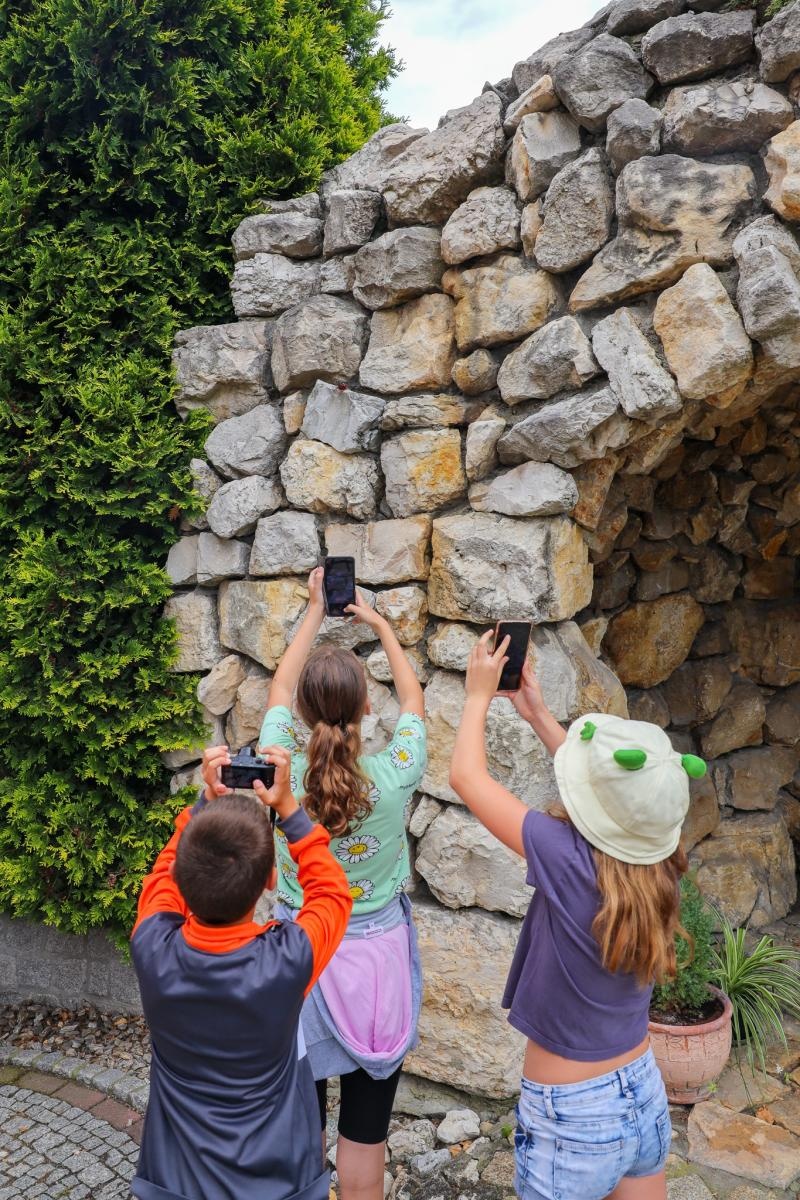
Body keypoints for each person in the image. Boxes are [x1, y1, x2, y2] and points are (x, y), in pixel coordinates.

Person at [449, 632, 701, 1200]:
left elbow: (466, 776)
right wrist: (538, 715)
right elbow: (619, 803)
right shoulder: (664, 862)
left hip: (573, 1115)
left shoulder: (566, 856)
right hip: (643, 1089)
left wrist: (477, 696)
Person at [259, 567, 427, 1200]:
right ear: (365, 708)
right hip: (377, 964)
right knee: (366, 1133)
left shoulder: (279, 770)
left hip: (301, 955)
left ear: (302, 715)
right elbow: (414, 702)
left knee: (303, 1125)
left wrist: (313, 611)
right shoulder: (395, 772)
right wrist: (380, 625)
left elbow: (279, 685)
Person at [130, 742, 352, 1200]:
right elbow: (331, 894)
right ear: (270, 879)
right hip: (280, 1180)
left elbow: (164, 873)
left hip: (176, 1181)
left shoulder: (152, 948)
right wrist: (288, 808)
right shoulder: (288, 960)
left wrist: (203, 803)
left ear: (184, 883)